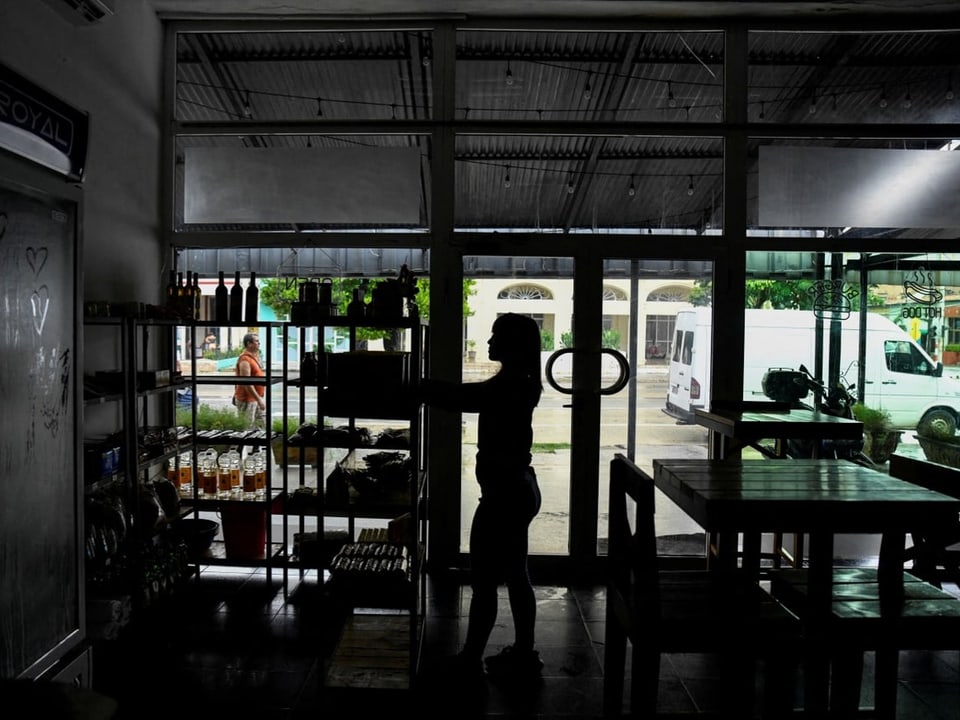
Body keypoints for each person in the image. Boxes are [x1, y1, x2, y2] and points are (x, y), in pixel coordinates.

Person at [421, 313, 544, 681]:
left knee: (485, 581)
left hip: (503, 495)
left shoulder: (510, 386)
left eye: (495, 338)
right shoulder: (521, 381)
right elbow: (471, 394)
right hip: (519, 487)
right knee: (516, 575)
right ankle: (523, 653)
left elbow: (464, 397)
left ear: (513, 345)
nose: (488, 344)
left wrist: (421, 385)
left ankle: (470, 657)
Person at [234, 332, 265, 429]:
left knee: (261, 425)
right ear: (249, 344)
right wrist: (259, 399)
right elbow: (246, 382)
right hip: (248, 399)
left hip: (255, 398)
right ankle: (244, 445)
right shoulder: (245, 359)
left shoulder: (255, 357)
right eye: (256, 341)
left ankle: (260, 444)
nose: (259, 343)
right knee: (247, 428)